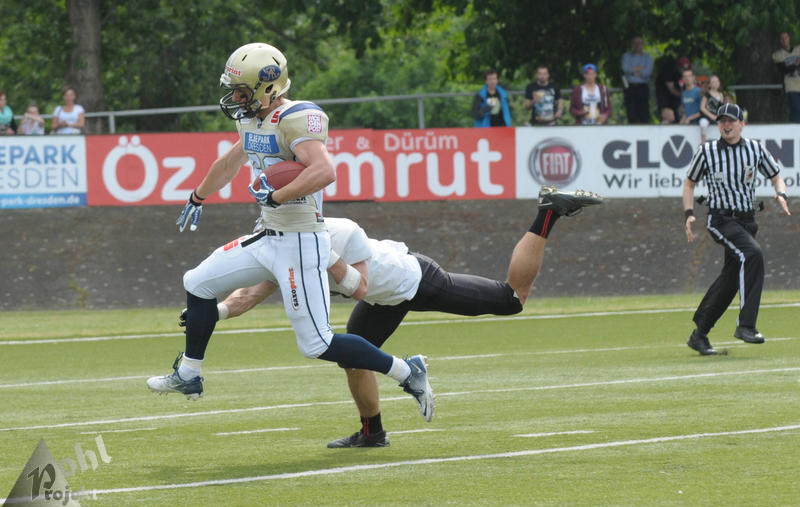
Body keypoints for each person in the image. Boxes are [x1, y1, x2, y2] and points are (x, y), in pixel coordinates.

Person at [146, 43, 434, 426]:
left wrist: (277, 195)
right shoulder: (251, 120)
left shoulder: (297, 117)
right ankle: (189, 374)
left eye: (242, 91)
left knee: (318, 343)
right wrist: (198, 195)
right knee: (197, 282)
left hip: (300, 242)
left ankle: (406, 370)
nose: (236, 98)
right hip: (268, 235)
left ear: (268, 87)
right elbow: (229, 163)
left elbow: (325, 170)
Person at [201, 187, 603, 447]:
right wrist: (212, 312)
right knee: (353, 355)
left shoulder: (333, 233)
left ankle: (548, 213)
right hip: (384, 298)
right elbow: (251, 293)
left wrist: (325, 262)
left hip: (415, 280)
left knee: (511, 298)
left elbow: (358, 285)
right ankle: (372, 432)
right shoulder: (287, 243)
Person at [682, 103, 791, 356]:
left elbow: (776, 176)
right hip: (721, 219)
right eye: (722, 121)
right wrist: (688, 214)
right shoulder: (707, 151)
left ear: (742, 124)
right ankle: (746, 325)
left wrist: (781, 193)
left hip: (747, 221)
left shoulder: (755, 149)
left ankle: (699, 335)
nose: (726, 125)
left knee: (731, 279)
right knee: (752, 254)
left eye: (731, 120)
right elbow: (689, 183)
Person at [621, 36, 654, 123]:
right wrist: (641, 69)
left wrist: (632, 71)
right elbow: (626, 69)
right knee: (631, 113)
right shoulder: (626, 56)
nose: (637, 45)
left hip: (643, 88)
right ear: (632, 45)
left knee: (644, 113)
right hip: (629, 87)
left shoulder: (648, 57)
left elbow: (647, 72)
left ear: (643, 45)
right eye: (635, 43)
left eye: (639, 43)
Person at [772, 32, 800, 123]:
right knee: (796, 108)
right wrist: (796, 64)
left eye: (786, 38)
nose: (784, 40)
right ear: (780, 41)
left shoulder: (797, 50)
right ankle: (794, 127)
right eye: (782, 39)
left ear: (789, 38)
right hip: (791, 86)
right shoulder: (779, 55)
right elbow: (784, 70)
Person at [698, 75, 724, 143]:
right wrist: (711, 116)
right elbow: (702, 108)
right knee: (703, 124)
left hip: (716, 117)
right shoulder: (707, 94)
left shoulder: (721, 95)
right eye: (713, 82)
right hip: (706, 116)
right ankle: (703, 143)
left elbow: (721, 108)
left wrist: (718, 117)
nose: (716, 83)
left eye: (717, 81)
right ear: (709, 84)